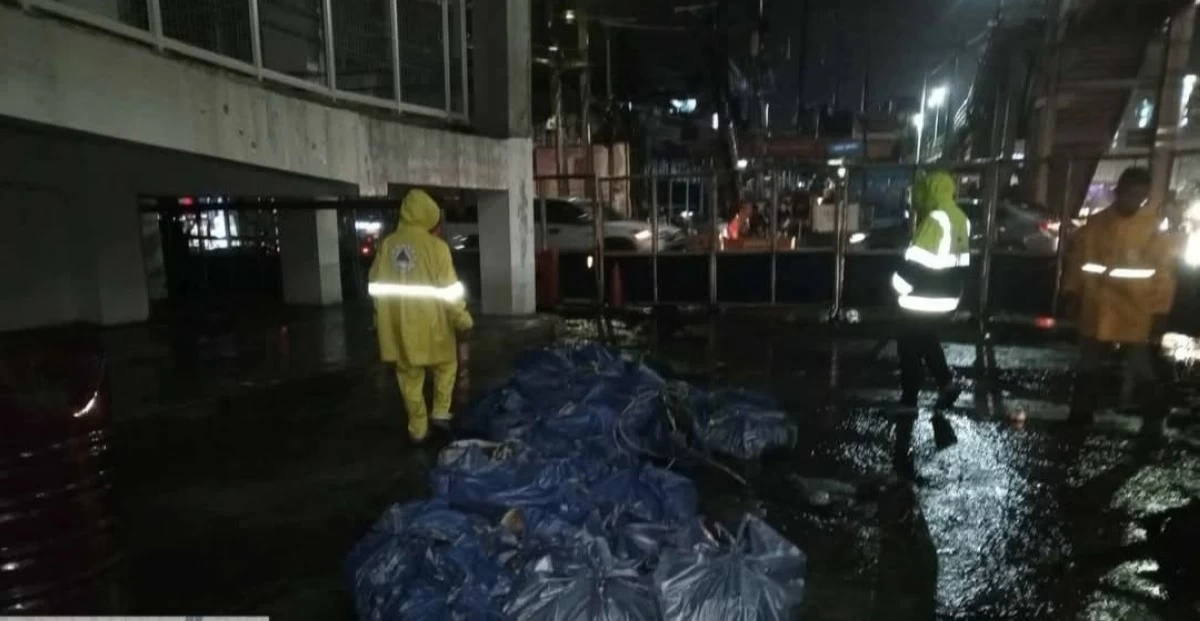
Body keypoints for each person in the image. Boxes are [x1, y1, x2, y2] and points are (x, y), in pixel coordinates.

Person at [1061, 167, 1176, 442]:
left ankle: (1153, 420)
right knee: (1089, 362)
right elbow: (1079, 261)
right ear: (1118, 191)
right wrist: (1070, 293)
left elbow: (1164, 274)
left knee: (1139, 364)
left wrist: (1159, 311)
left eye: (1140, 194)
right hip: (1098, 306)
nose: (1134, 199)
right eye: (1130, 193)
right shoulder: (1097, 223)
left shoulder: (1152, 230)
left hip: (1132, 309)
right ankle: (1080, 416)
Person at [369, 189, 474, 443]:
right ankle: (440, 413)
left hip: (399, 329)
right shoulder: (437, 248)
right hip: (434, 327)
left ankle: (417, 428)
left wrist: (380, 320)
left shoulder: (387, 245)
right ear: (429, 216)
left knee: (408, 376)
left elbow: (374, 286)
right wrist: (463, 320)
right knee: (446, 366)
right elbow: (450, 293)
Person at [890, 170, 971, 474]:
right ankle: (944, 382)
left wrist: (896, 286)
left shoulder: (935, 220)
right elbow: (962, 263)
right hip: (948, 296)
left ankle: (911, 397)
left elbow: (915, 264)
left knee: (910, 342)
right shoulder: (960, 218)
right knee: (924, 337)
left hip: (921, 296)